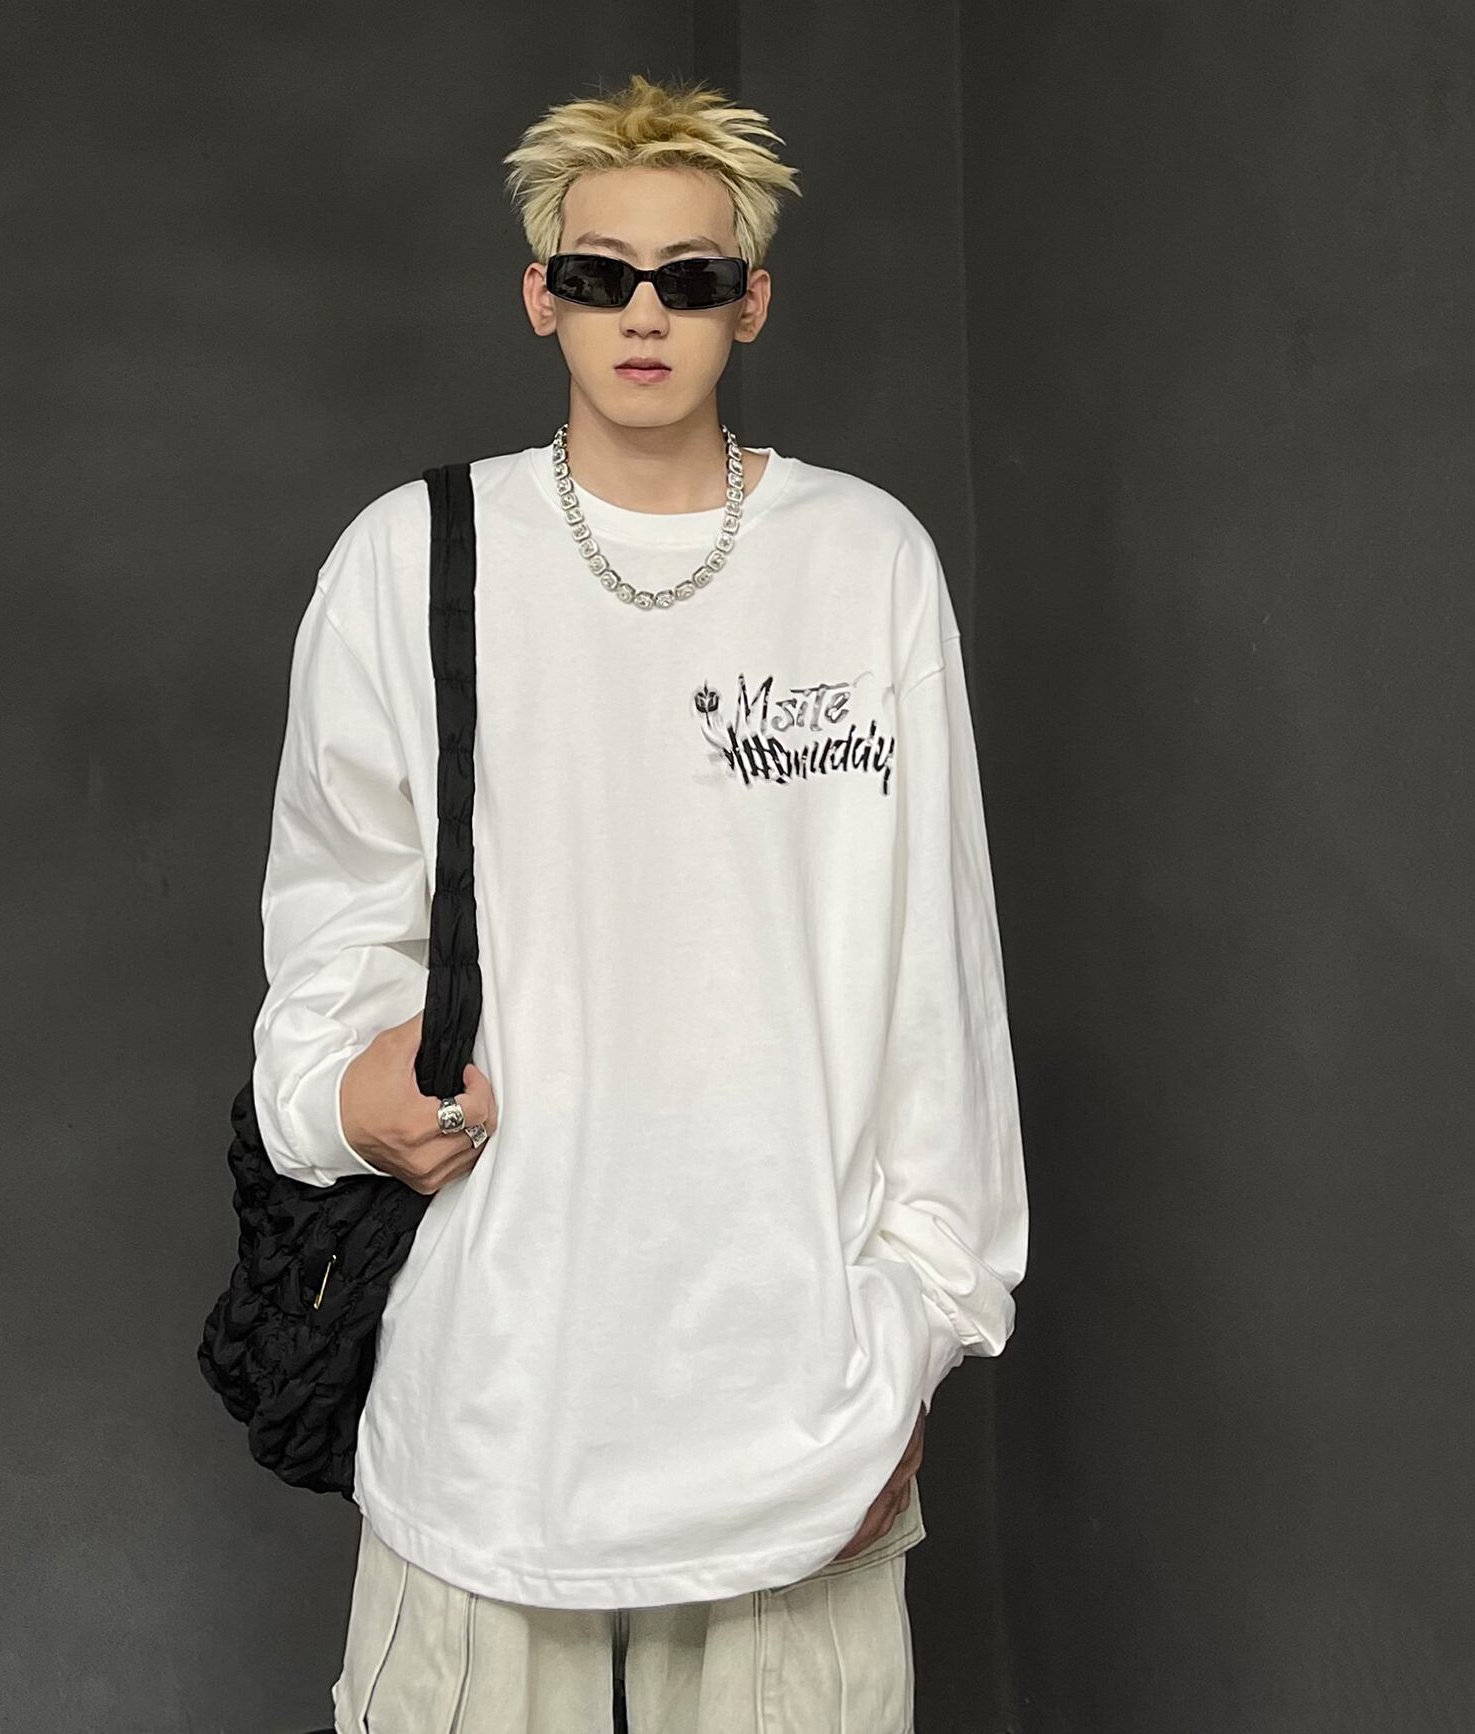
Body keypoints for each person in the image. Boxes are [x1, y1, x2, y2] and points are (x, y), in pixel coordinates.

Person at [251, 70, 1029, 1734]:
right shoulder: (412, 556)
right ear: (541, 295)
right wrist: (341, 1096)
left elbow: (936, 976)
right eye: (601, 274)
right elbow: (328, 928)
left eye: (691, 275)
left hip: (796, 1420)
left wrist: (919, 1323)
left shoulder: (864, 561)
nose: (644, 312)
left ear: (753, 300)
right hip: (491, 1410)